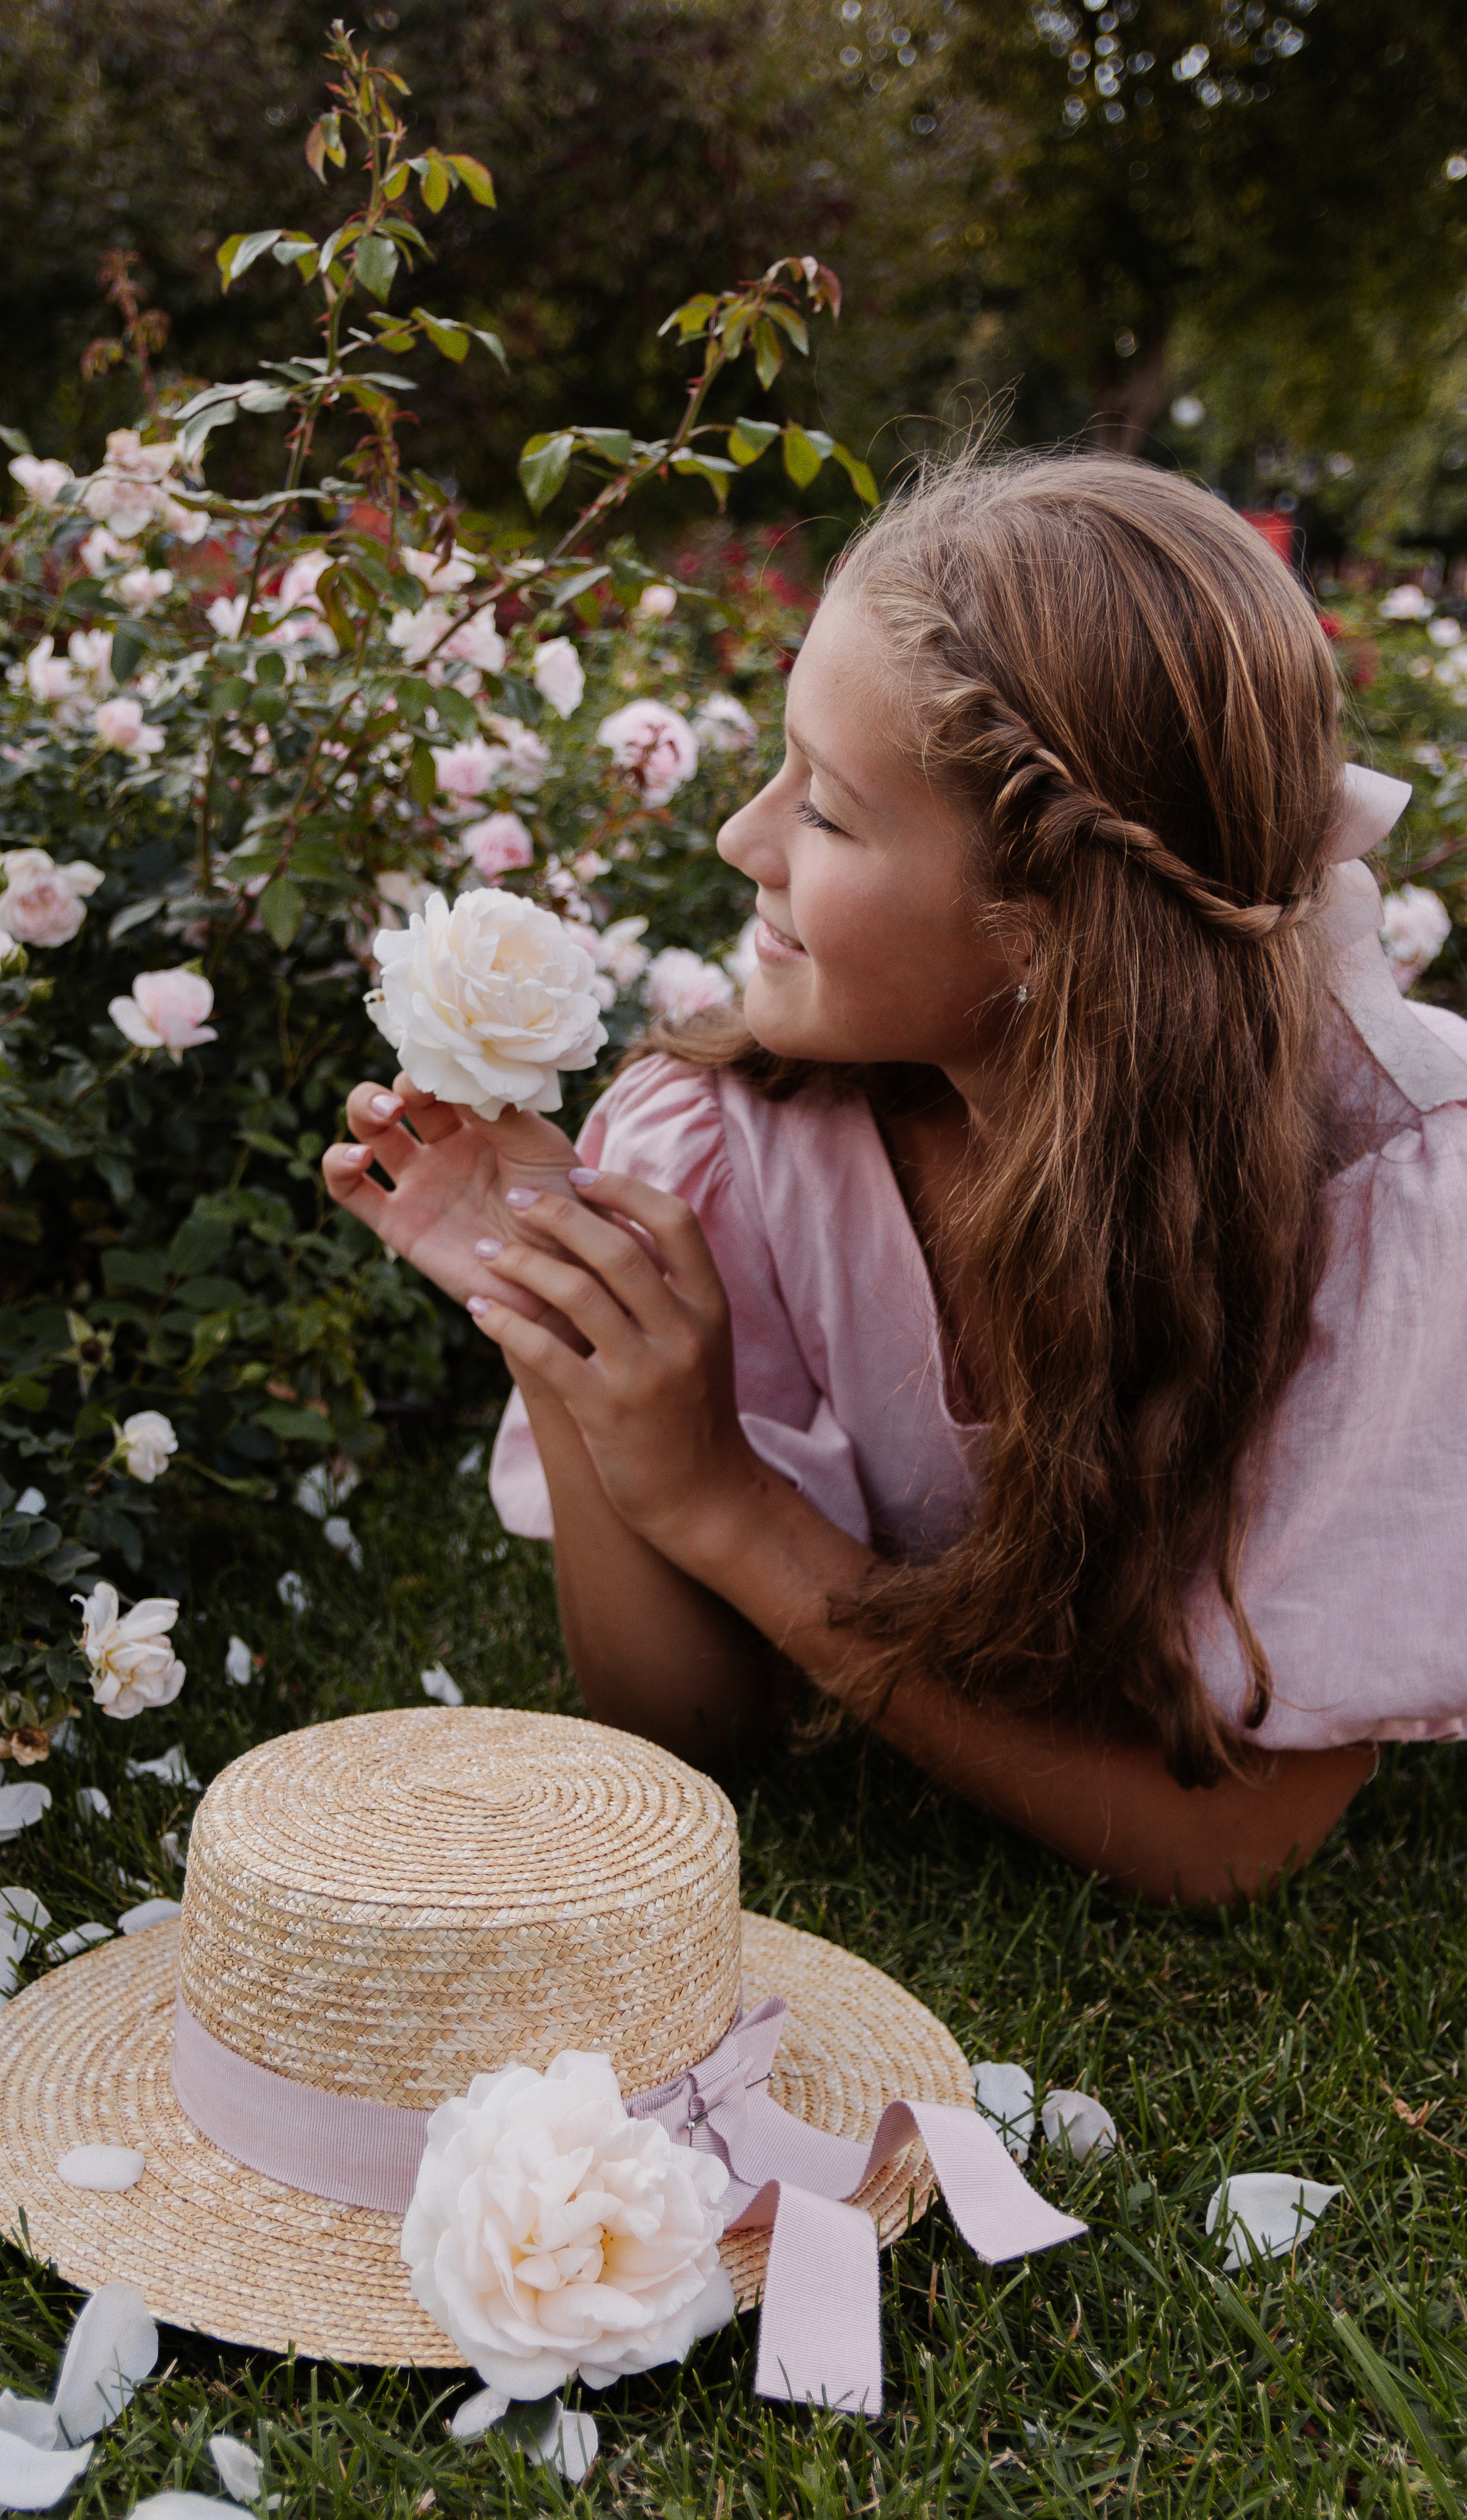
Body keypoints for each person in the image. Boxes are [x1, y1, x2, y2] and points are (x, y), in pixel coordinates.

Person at [324, 453, 1467, 1907]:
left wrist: (737, 1513)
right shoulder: (735, 1139)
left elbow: (1225, 1840)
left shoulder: (1388, 1191)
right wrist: (561, 1323)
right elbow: (686, 1740)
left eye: (824, 811)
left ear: (1043, 923)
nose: (740, 838)